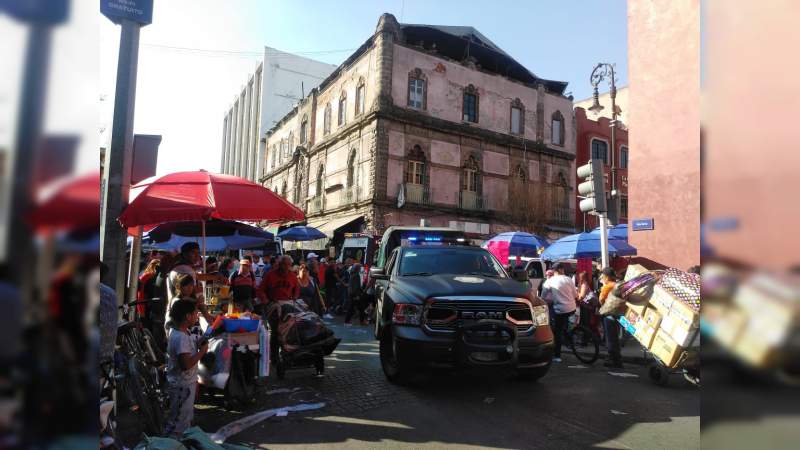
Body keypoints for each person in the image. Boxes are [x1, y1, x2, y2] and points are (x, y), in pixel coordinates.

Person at [164, 299, 208, 438]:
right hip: (182, 386)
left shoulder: (181, 332)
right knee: (177, 423)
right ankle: (169, 445)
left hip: (184, 384)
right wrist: (202, 351)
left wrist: (199, 343)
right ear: (188, 317)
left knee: (184, 419)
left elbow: (189, 348)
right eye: (195, 313)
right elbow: (186, 365)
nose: (197, 316)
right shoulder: (180, 337)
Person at [540, 262, 577, 362]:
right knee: (563, 325)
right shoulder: (568, 279)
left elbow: (542, 297)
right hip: (572, 308)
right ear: (561, 270)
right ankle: (568, 335)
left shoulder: (549, 281)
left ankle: (557, 356)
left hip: (560, 310)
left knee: (557, 332)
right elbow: (575, 294)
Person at [599, 267, 623, 368]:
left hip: (609, 314)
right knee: (615, 337)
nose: (602, 278)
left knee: (610, 338)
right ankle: (617, 359)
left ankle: (613, 360)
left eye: (603, 276)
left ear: (607, 277)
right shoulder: (618, 284)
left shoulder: (607, 286)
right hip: (618, 314)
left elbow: (601, 300)